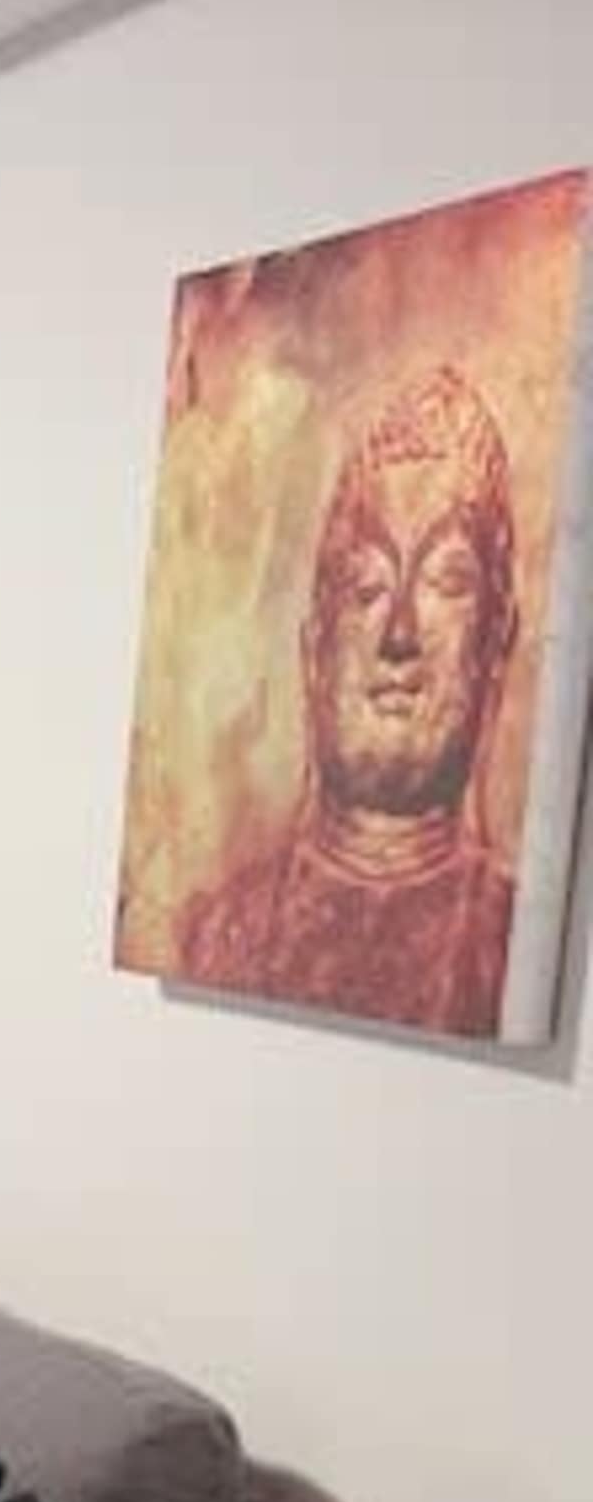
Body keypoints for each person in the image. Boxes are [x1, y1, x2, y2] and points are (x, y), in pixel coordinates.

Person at [179, 365, 523, 1038]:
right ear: (314, 653)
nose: (399, 634)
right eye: (366, 589)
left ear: (494, 647)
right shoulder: (218, 930)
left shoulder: (505, 938)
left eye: (446, 582)